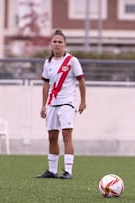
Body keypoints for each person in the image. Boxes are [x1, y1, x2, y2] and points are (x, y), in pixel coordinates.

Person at [36, 29, 86, 179]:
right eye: (55, 41)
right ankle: (52, 170)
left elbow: (81, 80)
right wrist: (43, 105)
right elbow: (45, 84)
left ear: (65, 44)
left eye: (60, 42)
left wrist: (83, 101)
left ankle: (68, 171)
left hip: (67, 102)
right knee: (52, 136)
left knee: (66, 135)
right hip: (52, 103)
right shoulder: (48, 62)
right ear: (51, 44)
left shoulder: (72, 61)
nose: (57, 44)